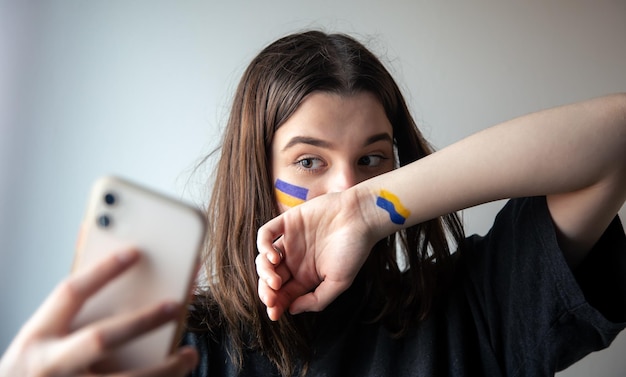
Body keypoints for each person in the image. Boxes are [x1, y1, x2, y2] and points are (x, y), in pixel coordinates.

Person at [1, 30, 625, 377]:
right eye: (309, 161)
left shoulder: (474, 309)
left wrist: (366, 211)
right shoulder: (179, 350)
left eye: (373, 158)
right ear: (257, 175)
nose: (342, 185)